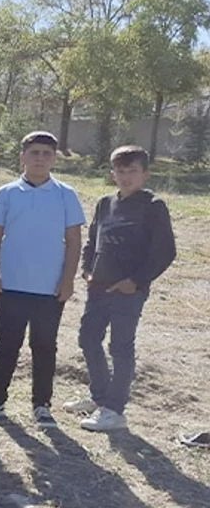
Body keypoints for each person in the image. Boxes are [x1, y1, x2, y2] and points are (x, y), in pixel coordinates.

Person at [0, 132, 85, 428]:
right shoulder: (7, 193)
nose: (40, 158)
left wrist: (68, 280)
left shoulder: (66, 195)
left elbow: (74, 240)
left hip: (50, 288)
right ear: (22, 156)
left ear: (54, 158)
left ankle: (42, 405)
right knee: (7, 343)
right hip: (11, 285)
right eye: (34, 152)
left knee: (45, 345)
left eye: (47, 153)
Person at [64, 145, 176, 432]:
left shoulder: (153, 207)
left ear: (145, 174)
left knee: (120, 347)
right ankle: (99, 397)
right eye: (120, 171)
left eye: (132, 171)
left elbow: (165, 252)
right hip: (98, 288)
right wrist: (87, 270)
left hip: (129, 292)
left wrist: (137, 281)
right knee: (88, 339)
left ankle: (115, 411)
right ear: (112, 173)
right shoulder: (105, 203)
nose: (125, 177)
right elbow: (92, 241)